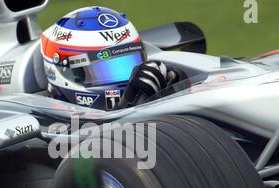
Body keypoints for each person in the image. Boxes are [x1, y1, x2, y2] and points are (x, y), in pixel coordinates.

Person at [40, 6, 186, 110]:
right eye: (103, 70)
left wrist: (180, 87)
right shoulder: (47, 129)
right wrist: (127, 107)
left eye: (130, 64)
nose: (132, 81)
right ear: (63, 71)